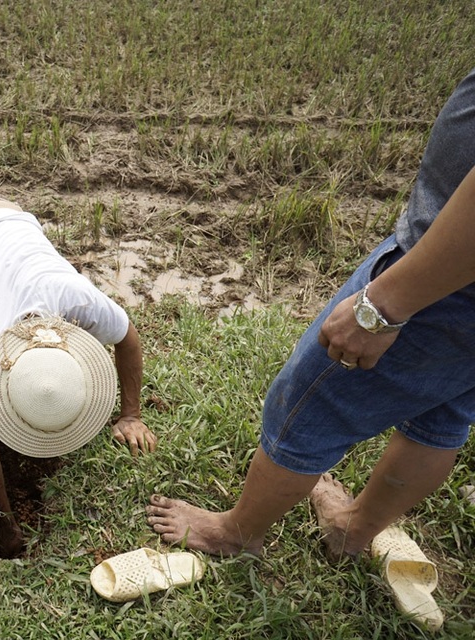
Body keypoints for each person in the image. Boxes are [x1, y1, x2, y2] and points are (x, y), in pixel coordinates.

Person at [145, 66, 475, 561]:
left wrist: (382, 307)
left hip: (448, 277)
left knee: (312, 402)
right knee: (441, 413)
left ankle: (237, 534)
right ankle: (354, 530)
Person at [0, 194, 158, 557]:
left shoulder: (78, 300)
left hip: (8, 214)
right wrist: (5, 524)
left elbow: (128, 337)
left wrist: (130, 414)